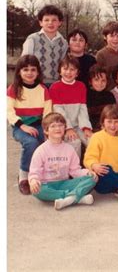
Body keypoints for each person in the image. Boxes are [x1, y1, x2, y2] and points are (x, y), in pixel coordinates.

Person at [28, 113, 97, 210]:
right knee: (37, 191)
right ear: (46, 131)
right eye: (53, 126)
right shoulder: (41, 150)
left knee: (91, 179)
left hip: (65, 183)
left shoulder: (69, 149)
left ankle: (68, 199)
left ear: (65, 128)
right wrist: (33, 180)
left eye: (60, 125)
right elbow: (34, 172)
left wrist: (88, 172)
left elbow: (75, 171)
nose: (57, 128)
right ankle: (76, 197)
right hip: (47, 185)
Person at [7, 55, 51, 195]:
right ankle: (24, 176)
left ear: (38, 72)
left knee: (47, 142)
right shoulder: (14, 88)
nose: (29, 73)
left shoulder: (43, 89)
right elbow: (8, 111)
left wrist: (47, 130)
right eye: (25, 69)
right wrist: (22, 126)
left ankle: (42, 173)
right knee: (31, 143)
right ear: (19, 71)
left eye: (33, 69)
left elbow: (48, 112)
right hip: (19, 126)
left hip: (39, 124)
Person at [49, 56, 93, 158]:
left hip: (79, 125)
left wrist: (86, 127)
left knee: (92, 140)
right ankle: (74, 170)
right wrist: (68, 128)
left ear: (77, 73)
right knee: (75, 142)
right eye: (65, 69)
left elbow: (82, 109)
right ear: (59, 71)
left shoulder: (81, 86)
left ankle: (92, 166)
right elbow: (58, 111)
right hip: (62, 125)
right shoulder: (55, 87)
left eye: (72, 69)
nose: (68, 72)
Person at [21, 5, 68, 85]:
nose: (50, 23)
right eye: (46, 20)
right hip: (35, 82)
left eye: (54, 20)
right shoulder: (32, 39)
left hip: (56, 84)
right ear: (40, 23)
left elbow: (63, 64)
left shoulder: (64, 43)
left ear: (60, 22)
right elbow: (25, 61)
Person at [95, 21, 118, 90]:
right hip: (108, 93)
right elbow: (98, 77)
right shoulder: (101, 55)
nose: (115, 39)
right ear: (105, 37)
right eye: (112, 36)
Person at [86, 65, 116, 132]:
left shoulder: (110, 96)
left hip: (109, 127)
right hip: (91, 128)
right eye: (96, 80)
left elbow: (113, 114)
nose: (100, 83)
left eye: (103, 80)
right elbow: (85, 117)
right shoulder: (86, 96)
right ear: (90, 81)